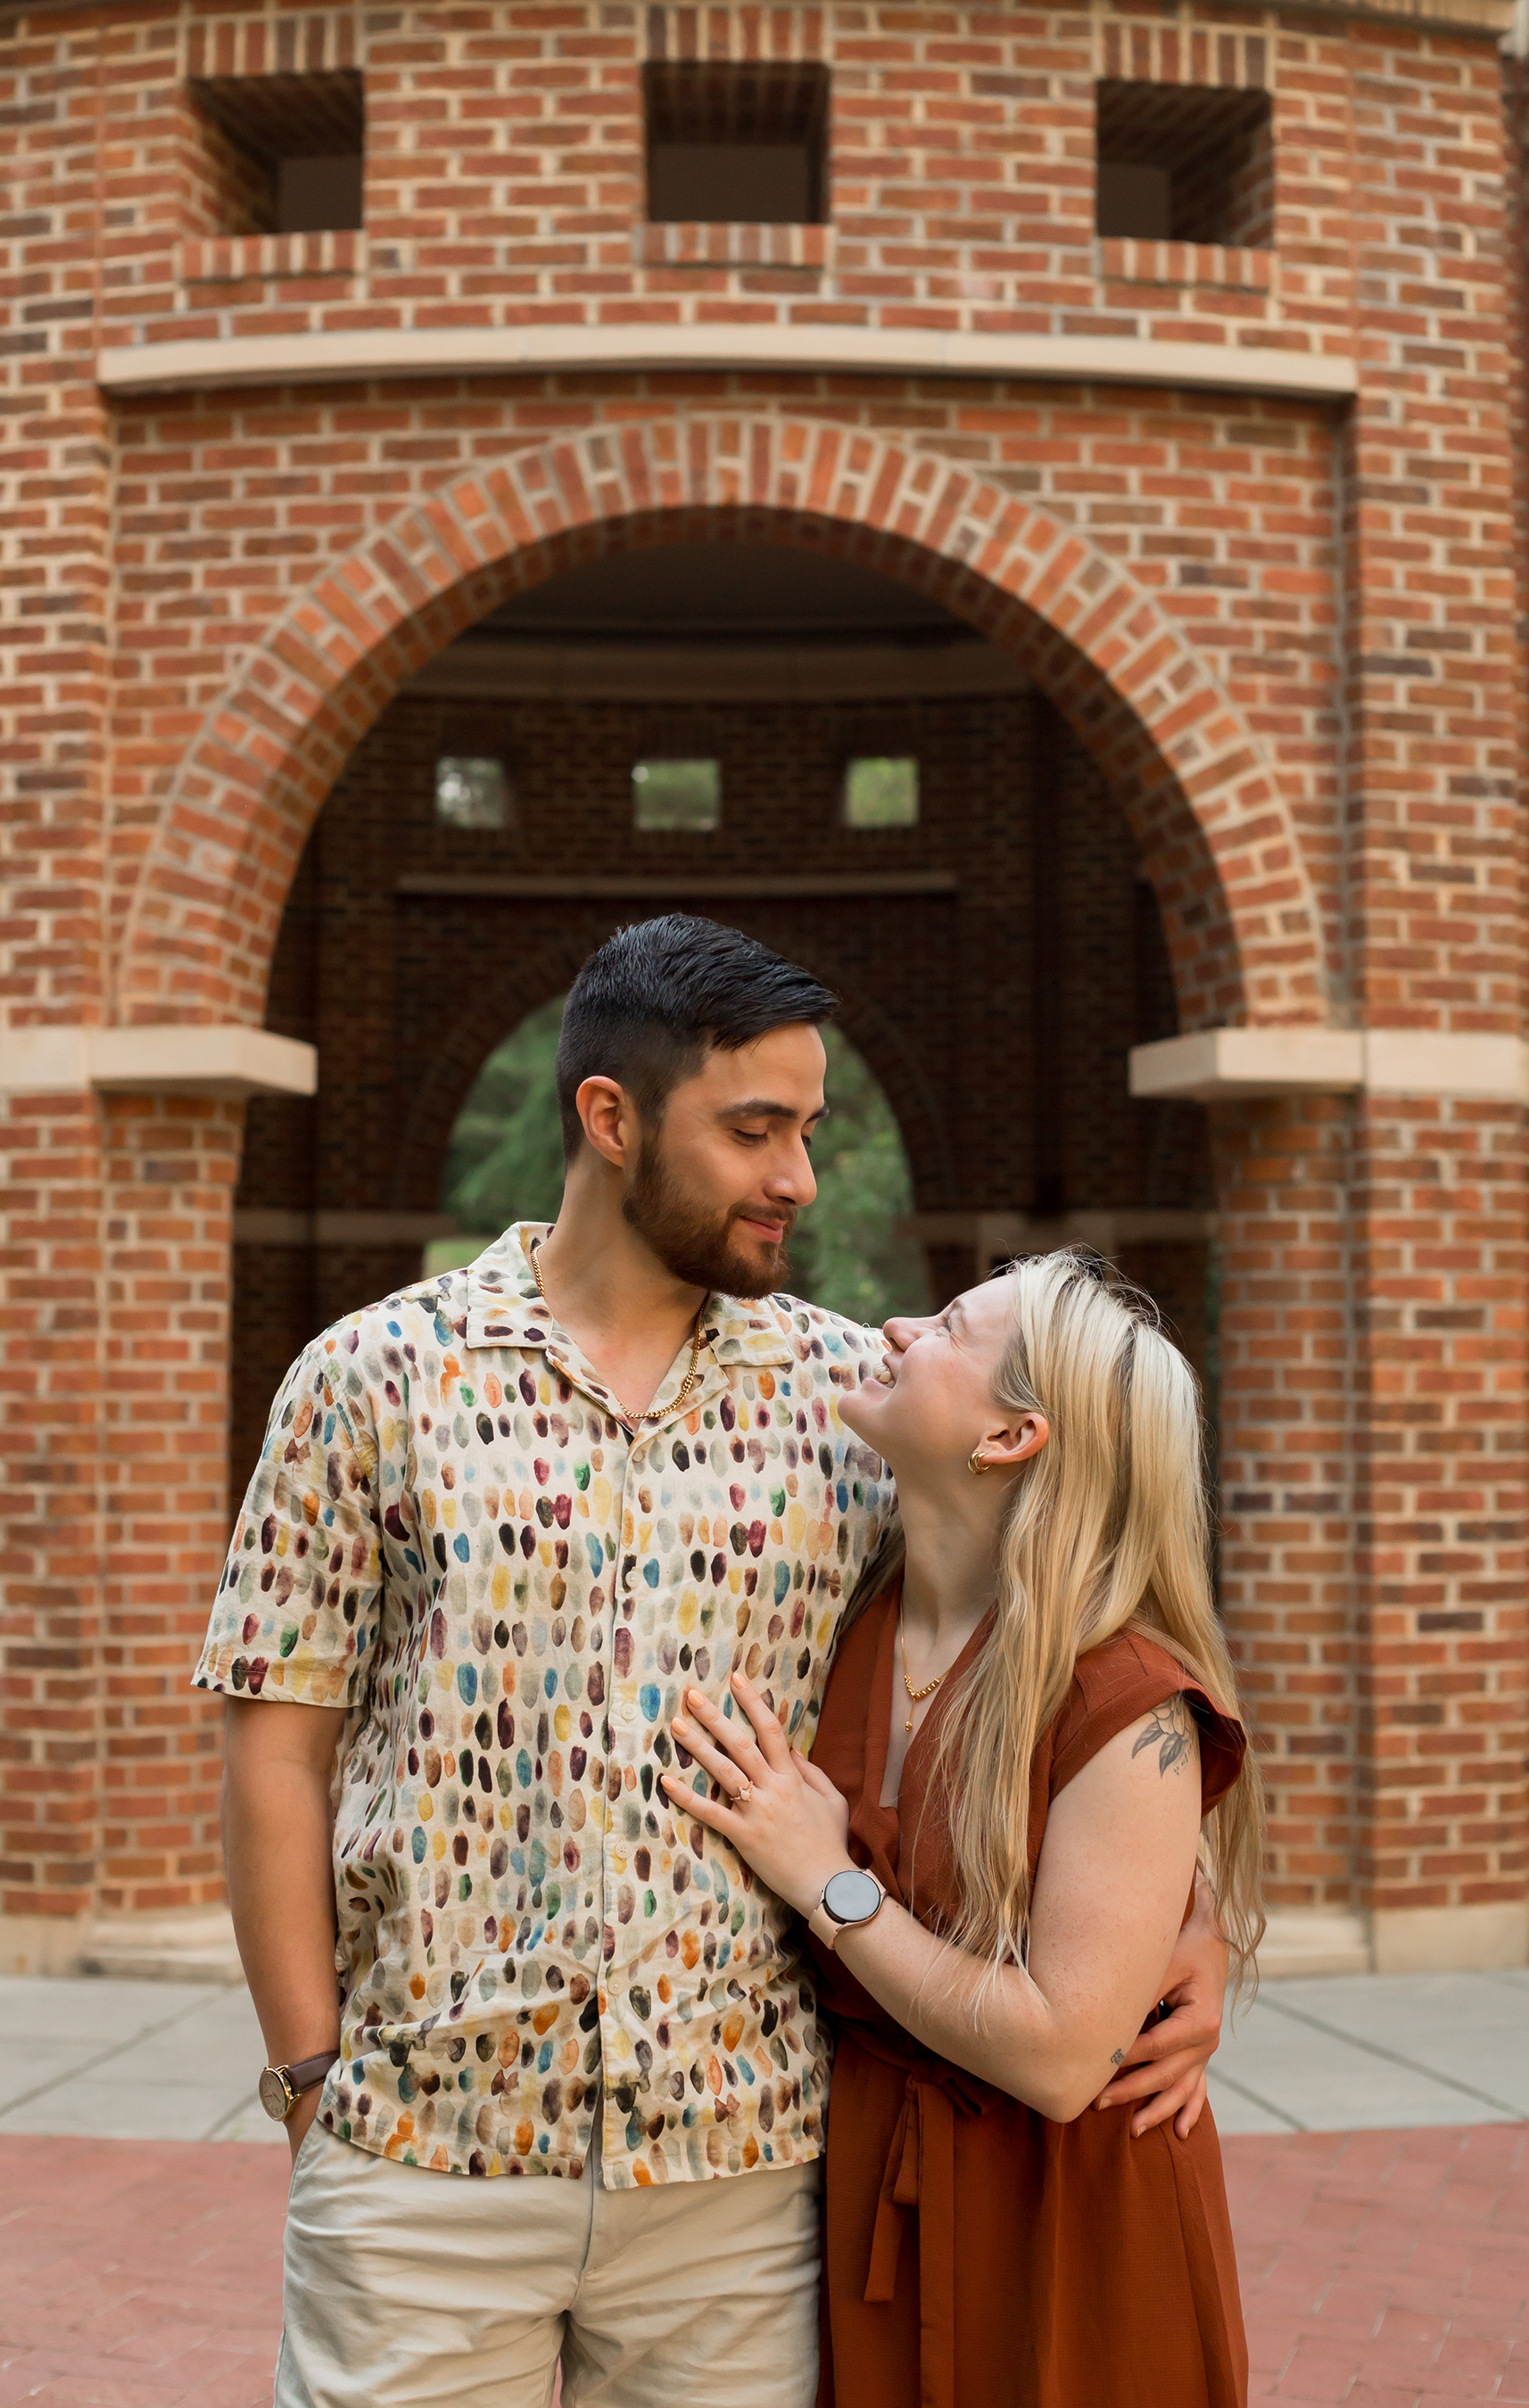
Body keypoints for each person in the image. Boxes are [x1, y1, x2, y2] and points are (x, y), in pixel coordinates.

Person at [197, 917, 1231, 2408]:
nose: (799, 1179)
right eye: (755, 1132)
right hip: (426, 2159)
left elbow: (1067, 1612)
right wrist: (310, 2084)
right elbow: (273, 1752)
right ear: (609, 1121)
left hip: (741, 2177)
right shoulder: (371, 1377)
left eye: (809, 1131)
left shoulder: (848, 1397)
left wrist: (1176, 1919)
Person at [668, 1251, 1261, 2408]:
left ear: (1009, 1438)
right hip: (862, 2192)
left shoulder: (1120, 1693)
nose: (890, 1325)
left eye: (945, 1326)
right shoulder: (835, 1600)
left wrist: (828, 1884)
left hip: (1069, 2223)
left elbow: (1056, 2057)